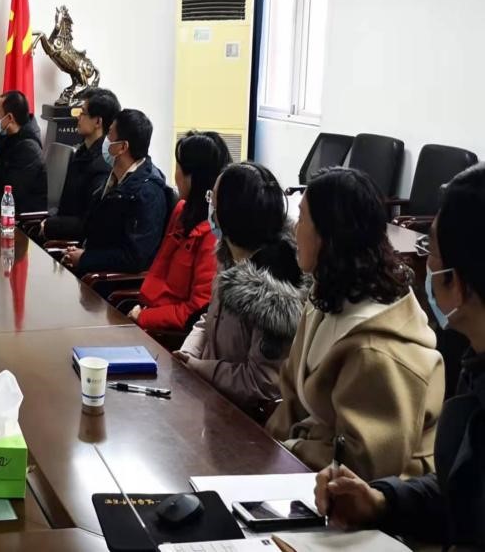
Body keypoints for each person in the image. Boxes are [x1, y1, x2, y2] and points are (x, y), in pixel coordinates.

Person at [311, 164, 485, 546]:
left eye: (430, 251)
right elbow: (458, 494)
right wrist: (380, 501)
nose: (426, 265)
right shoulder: (476, 362)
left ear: (456, 279)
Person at [266, 167, 444, 481]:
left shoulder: (376, 346)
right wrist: (266, 450)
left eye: (302, 218)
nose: (294, 230)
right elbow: (291, 395)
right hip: (308, 469)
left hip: (377, 495)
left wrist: (293, 446)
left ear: (329, 236)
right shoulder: (324, 297)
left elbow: (364, 465)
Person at [176, 162, 307, 419]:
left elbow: (260, 382)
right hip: (211, 401)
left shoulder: (273, 289)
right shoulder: (231, 256)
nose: (209, 206)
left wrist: (200, 368)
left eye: (213, 199)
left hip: (243, 422)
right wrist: (187, 354)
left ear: (229, 213)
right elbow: (208, 319)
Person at [129, 131, 231, 332]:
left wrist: (145, 318)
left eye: (178, 168)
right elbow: (160, 270)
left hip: (167, 335)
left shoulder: (213, 234)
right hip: (146, 313)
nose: (175, 176)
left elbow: (197, 311)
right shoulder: (182, 211)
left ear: (193, 178)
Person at [62, 109, 168, 276]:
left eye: (110, 134)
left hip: (106, 282)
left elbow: (134, 258)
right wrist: (78, 252)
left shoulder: (148, 192)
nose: (105, 139)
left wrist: (85, 259)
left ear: (122, 147)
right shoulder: (114, 177)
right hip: (89, 268)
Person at [40, 89, 120, 241]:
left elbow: (88, 223)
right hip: (60, 230)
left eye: (82, 113)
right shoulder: (81, 153)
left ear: (98, 122)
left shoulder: (103, 165)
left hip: (75, 244)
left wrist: (50, 225)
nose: (78, 117)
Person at [0, 90, 48, 214]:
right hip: (3, 210)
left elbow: (12, 196)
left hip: (22, 217)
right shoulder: (6, 138)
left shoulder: (29, 150)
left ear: (10, 118)